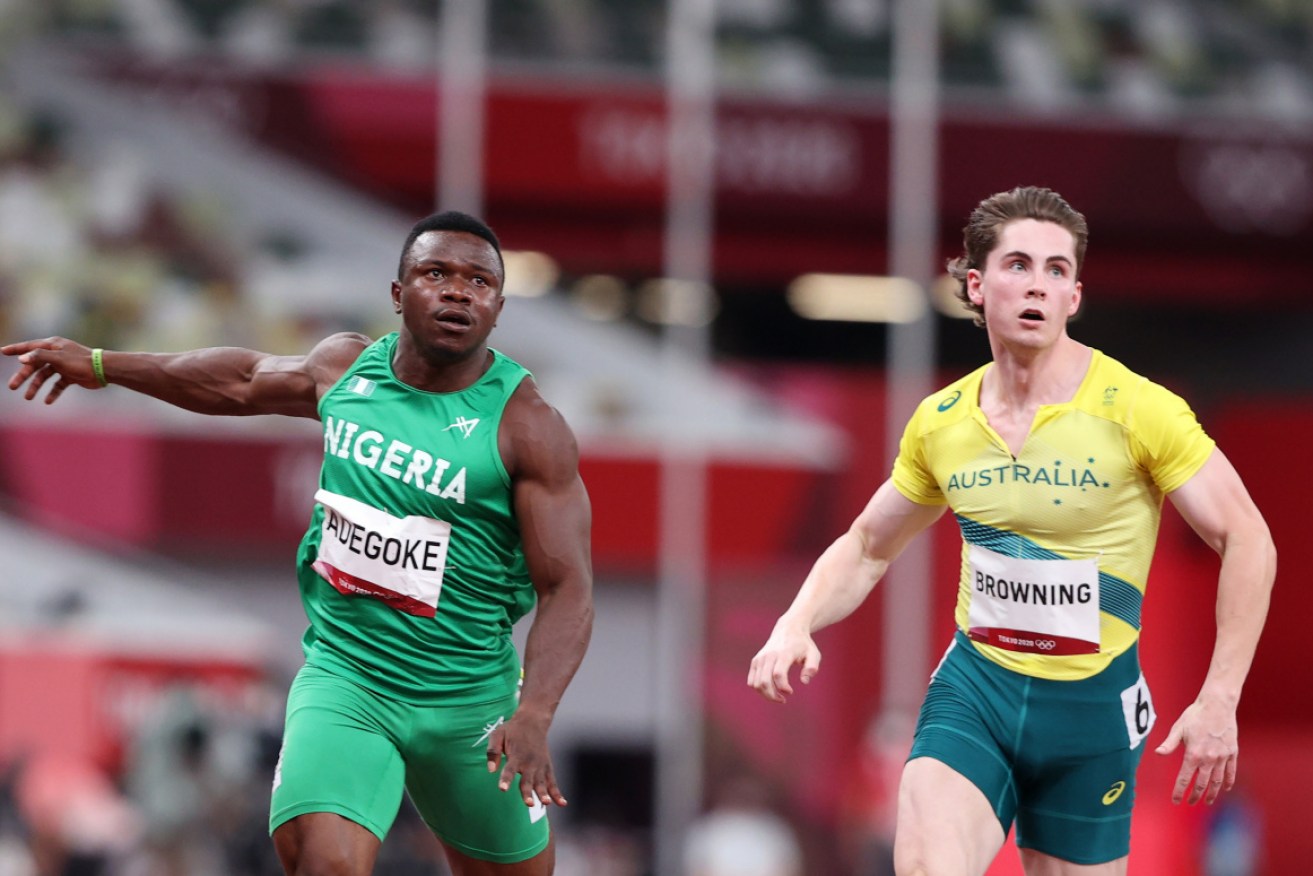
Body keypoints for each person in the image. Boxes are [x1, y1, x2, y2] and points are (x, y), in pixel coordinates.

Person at [3, 210, 595, 876]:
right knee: (323, 859)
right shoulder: (344, 369)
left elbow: (567, 584)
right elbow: (239, 380)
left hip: (470, 706)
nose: (459, 292)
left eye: (479, 282)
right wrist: (104, 364)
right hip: (349, 679)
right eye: (437, 273)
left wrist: (537, 710)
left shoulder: (528, 426)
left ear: (498, 308)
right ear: (398, 294)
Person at [747, 186, 1276, 876]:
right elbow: (867, 545)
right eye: (1018, 265)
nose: (1037, 286)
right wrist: (796, 621)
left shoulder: (1139, 411)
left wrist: (1219, 697)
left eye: (1056, 271)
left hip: (1090, 716)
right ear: (976, 284)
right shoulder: (942, 422)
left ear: (1074, 298)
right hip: (977, 693)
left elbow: (1247, 539)